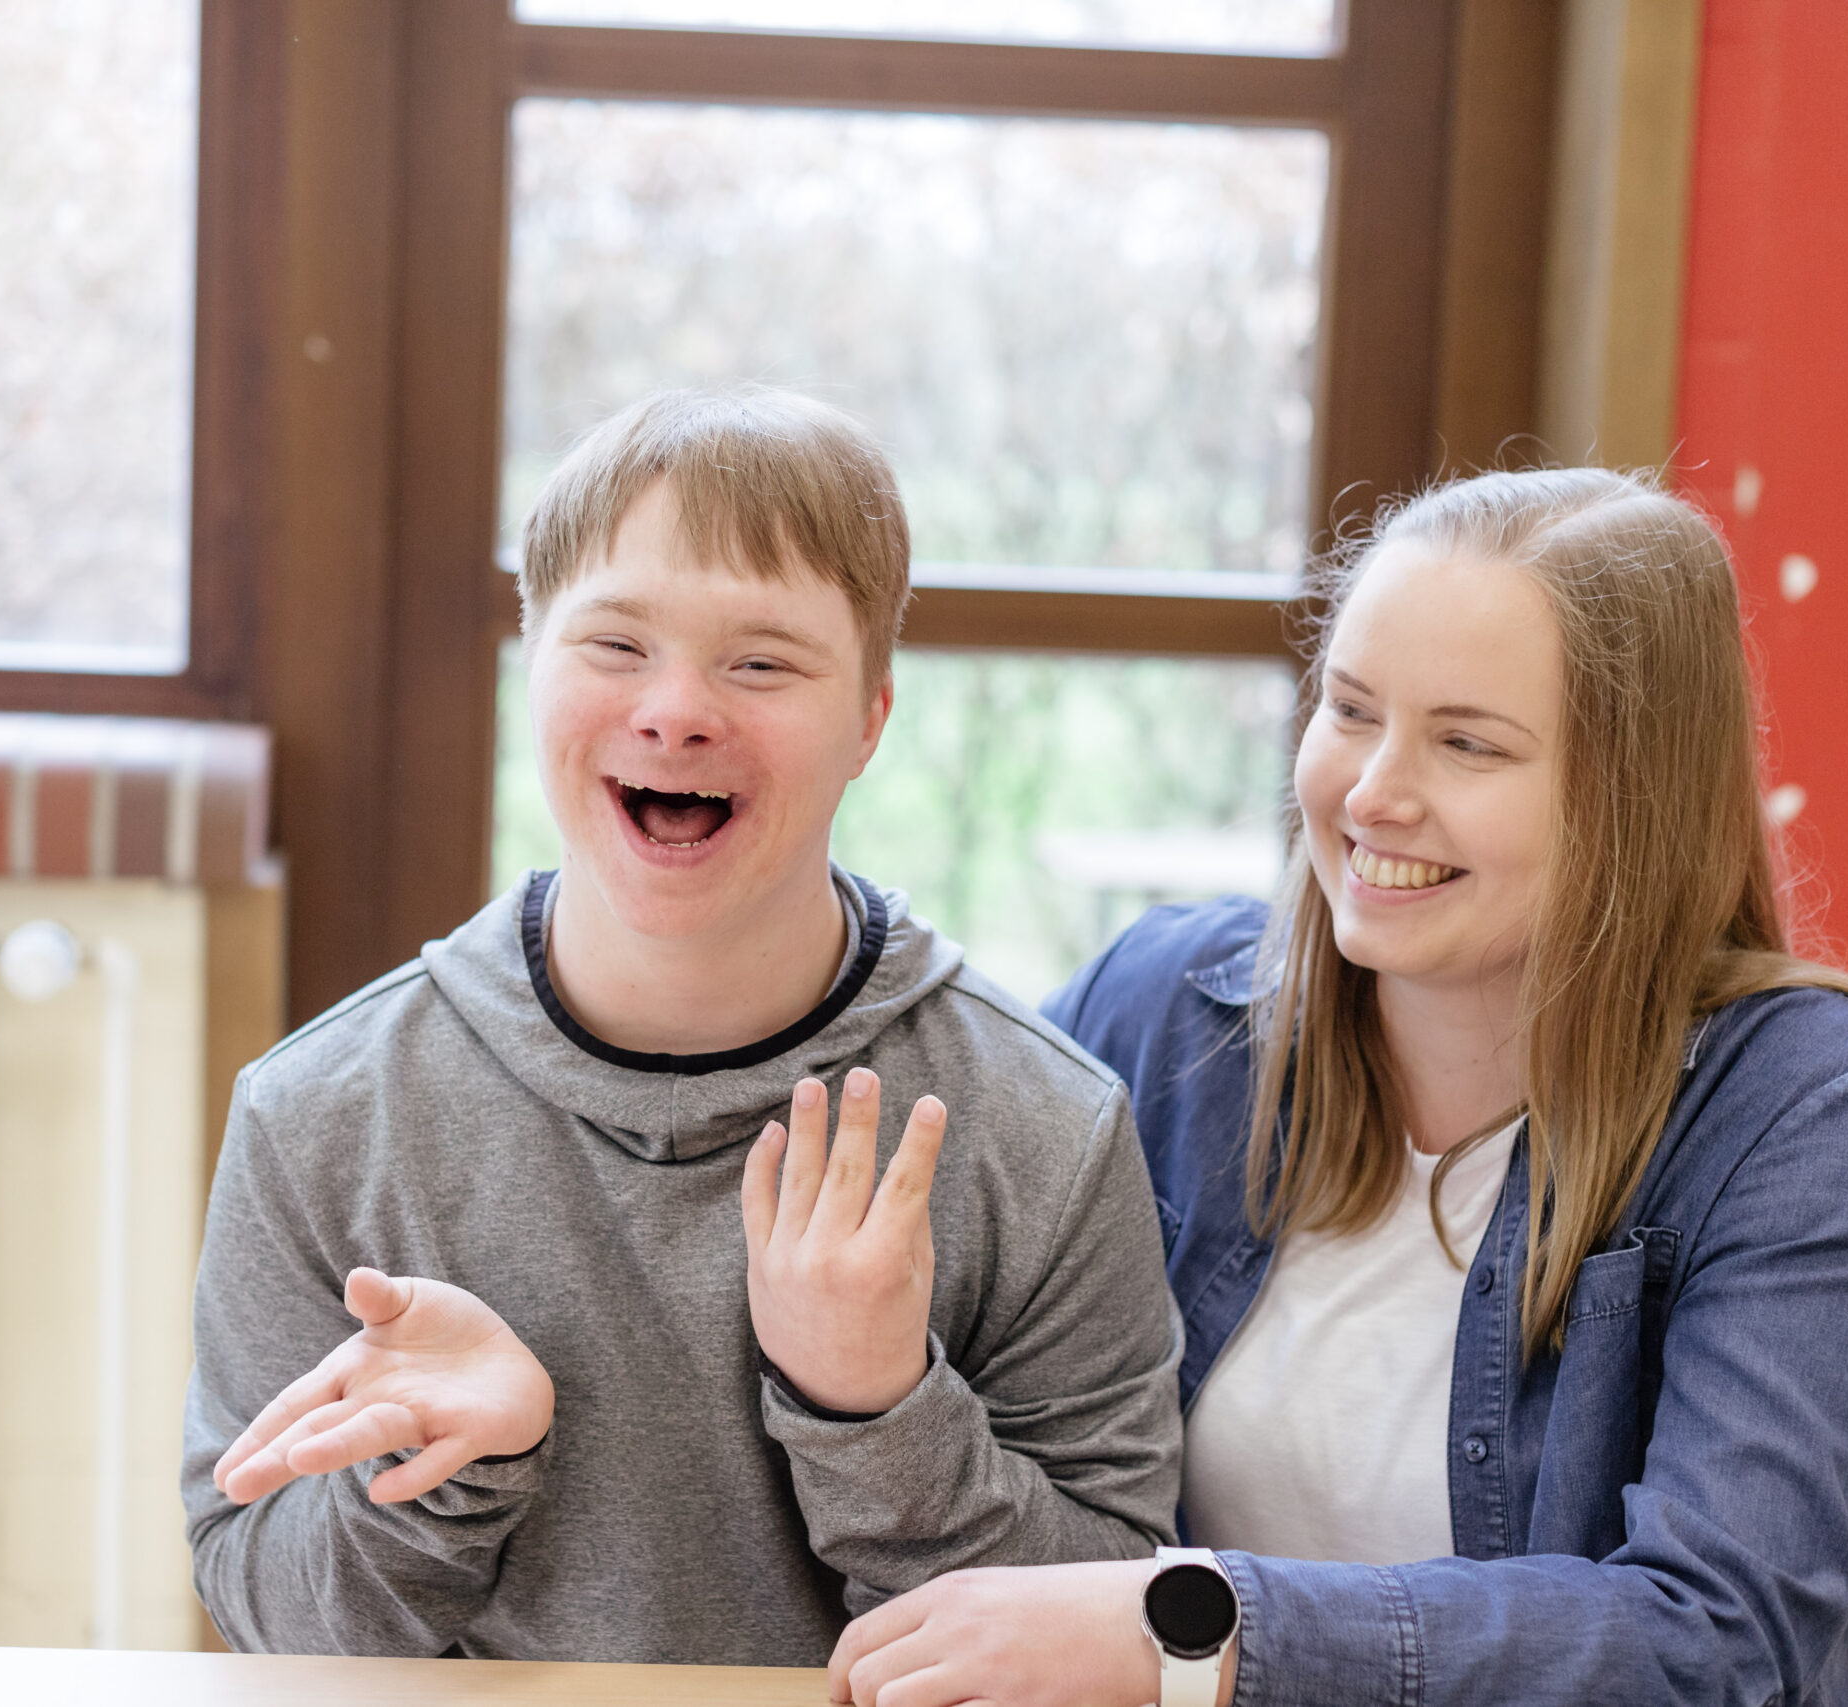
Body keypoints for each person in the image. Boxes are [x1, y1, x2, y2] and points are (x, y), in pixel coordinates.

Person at [826, 467, 1848, 1706]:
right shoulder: (1159, 1008)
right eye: (1350, 711)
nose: (1369, 794)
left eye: (1466, 743)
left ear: (1634, 800)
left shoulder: (1809, 1106)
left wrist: (1189, 1633)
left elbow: (1723, 1637)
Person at [179, 388, 1182, 1665]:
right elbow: (264, 1616)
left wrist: (877, 1406)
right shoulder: (317, 1109)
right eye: (613, 646)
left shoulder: (1043, 1124)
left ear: (871, 720)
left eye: (761, 663)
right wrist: (443, 1477)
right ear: (529, 668)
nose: (676, 711)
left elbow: (1111, 1636)